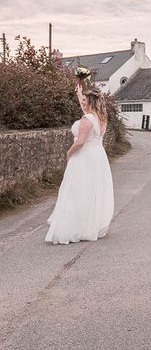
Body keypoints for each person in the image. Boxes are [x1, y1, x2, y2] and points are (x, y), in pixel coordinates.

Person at [46, 85, 114, 244]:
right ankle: (90, 224)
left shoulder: (87, 119)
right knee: (91, 190)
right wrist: (79, 94)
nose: (82, 102)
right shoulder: (101, 118)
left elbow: (80, 142)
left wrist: (68, 153)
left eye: (84, 100)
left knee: (77, 189)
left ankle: (74, 226)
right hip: (98, 156)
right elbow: (87, 115)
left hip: (84, 157)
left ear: (90, 101)